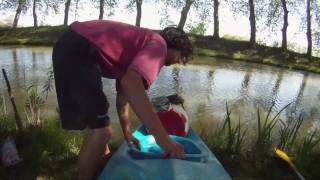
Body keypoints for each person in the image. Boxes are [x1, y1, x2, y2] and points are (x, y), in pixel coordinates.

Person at [52, 19, 193, 180]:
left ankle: (103, 161)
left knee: (98, 123)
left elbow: (124, 96)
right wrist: (164, 140)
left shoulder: (140, 48)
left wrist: (127, 132)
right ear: (176, 46)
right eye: (181, 56)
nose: (178, 61)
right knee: (102, 131)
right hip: (79, 48)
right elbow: (132, 83)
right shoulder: (159, 45)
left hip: (73, 44)